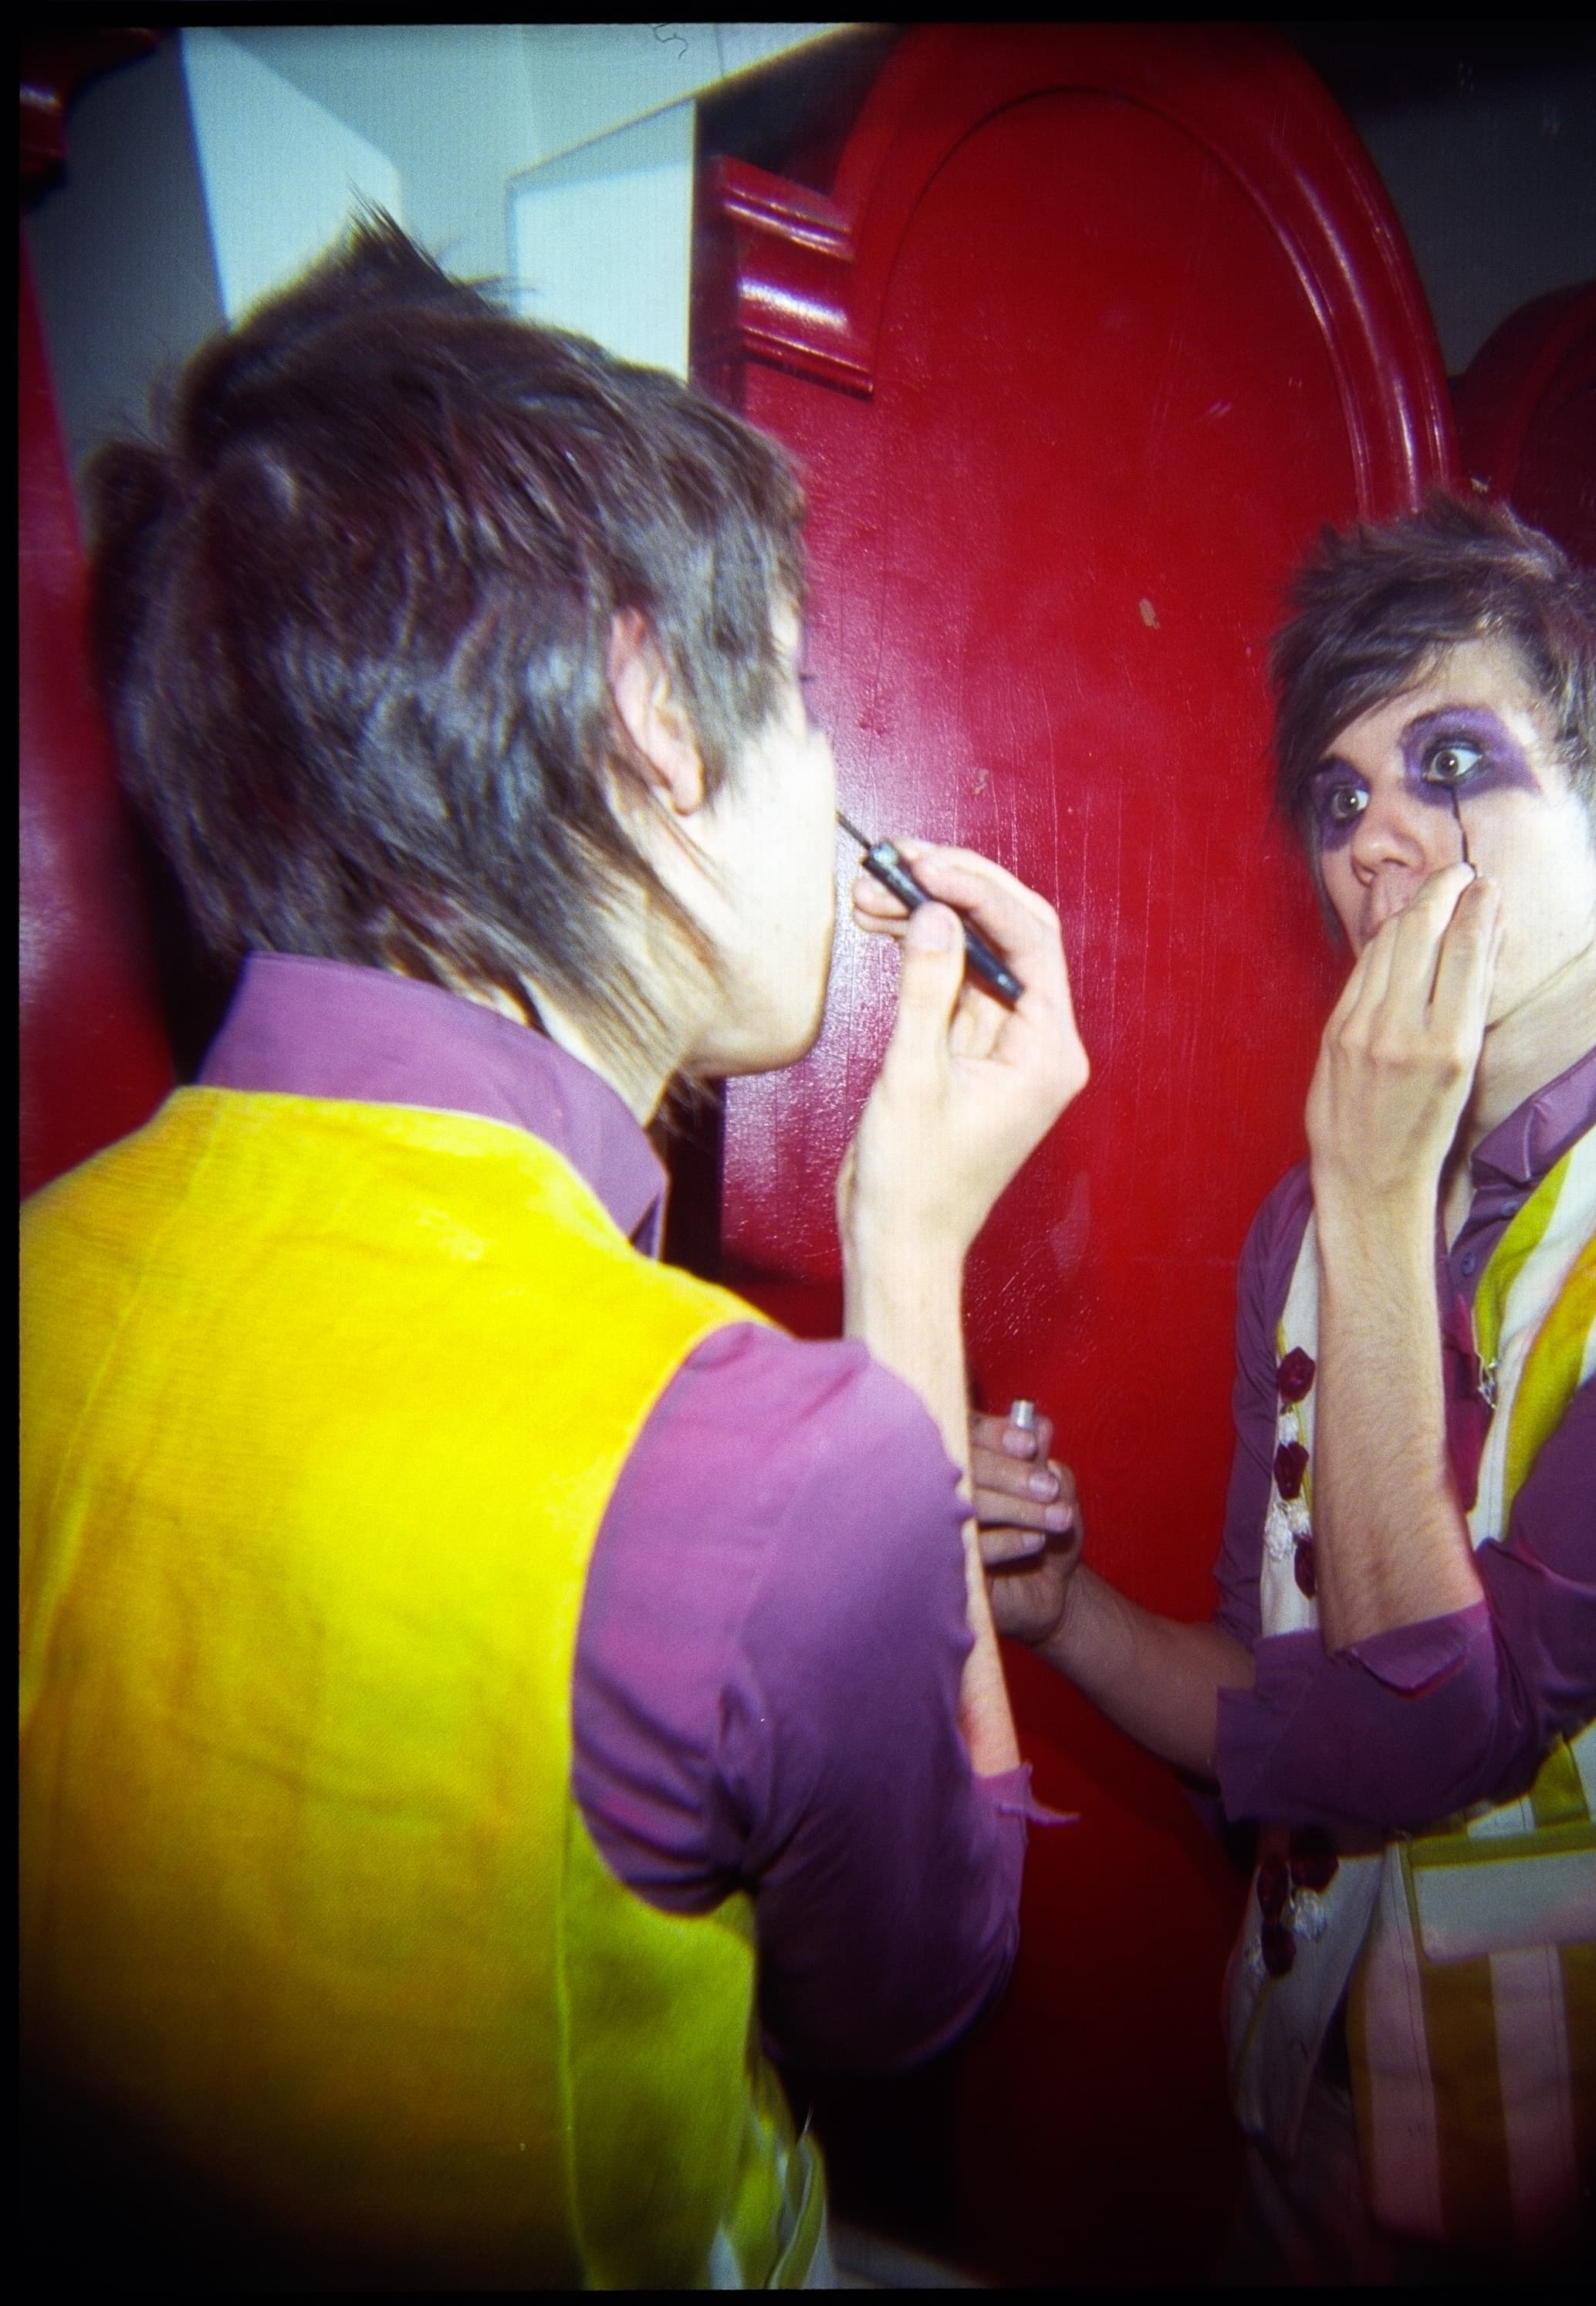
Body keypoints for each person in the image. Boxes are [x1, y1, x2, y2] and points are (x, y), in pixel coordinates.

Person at [19, 218, 1087, 2288]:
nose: (832, 785)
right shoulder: (767, 1462)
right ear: (650, 715)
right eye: (787, 687)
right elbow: (924, 1976)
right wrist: (910, 1254)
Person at [958, 498, 1596, 2279]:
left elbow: (1426, 1727)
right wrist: (1064, 1609)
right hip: (1289, 2107)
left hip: (1587, 2184)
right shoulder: (1298, 1233)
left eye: (1452, 761)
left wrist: (1379, 1192)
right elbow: (1277, 1700)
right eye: (1340, 795)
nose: (1379, 837)